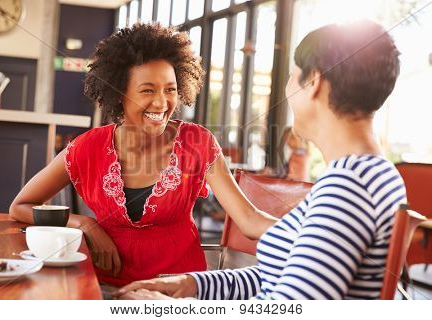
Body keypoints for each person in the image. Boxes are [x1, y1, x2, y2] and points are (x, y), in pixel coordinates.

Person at [112, 20, 407, 300]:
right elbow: (280, 277)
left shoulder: (348, 186)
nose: (288, 89)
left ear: (314, 81)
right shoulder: (369, 175)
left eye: (292, 75)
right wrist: (192, 285)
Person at [9, 23, 277, 287]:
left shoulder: (198, 143)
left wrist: (314, 231)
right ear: (119, 94)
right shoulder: (86, 148)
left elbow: (249, 219)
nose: (161, 103)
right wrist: (84, 223)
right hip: (103, 287)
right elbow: (20, 207)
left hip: (177, 290)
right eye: (148, 90)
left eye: (170, 89)